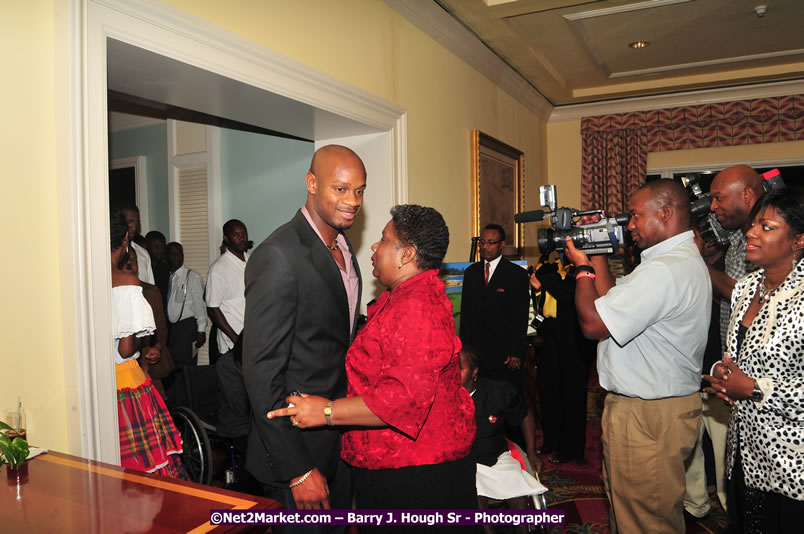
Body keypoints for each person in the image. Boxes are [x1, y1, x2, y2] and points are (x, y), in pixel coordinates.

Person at [267, 205, 478, 528]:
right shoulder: (405, 296)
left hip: (416, 473)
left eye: (384, 239)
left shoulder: (416, 307)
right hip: (402, 465)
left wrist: (326, 412)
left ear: (407, 255)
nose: (375, 247)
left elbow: (402, 401)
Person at [564, 179, 711, 534]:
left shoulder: (665, 270)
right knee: (631, 510)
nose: (629, 225)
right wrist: (598, 253)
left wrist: (582, 269)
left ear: (665, 213)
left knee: (646, 521)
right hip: (655, 410)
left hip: (649, 415)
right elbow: (611, 301)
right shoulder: (670, 262)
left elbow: (593, 322)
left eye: (635, 216)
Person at [243, 145, 365, 522]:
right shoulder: (279, 255)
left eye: (359, 191)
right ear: (311, 183)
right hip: (296, 452)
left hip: (338, 440)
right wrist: (297, 469)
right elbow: (261, 373)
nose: (352, 201)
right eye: (340, 189)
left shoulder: (343, 246)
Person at [703, 188, 804, 534]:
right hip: (745, 451)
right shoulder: (746, 288)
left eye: (767, 227)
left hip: (793, 463)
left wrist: (753, 388)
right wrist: (722, 374)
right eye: (754, 224)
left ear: (799, 240)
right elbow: (740, 356)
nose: (751, 232)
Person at [109, 208, 186, 479]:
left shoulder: (84, 279)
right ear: (125, 240)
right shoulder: (125, 281)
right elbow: (125, 350)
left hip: (97, 382)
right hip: (125, 380)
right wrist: (142, 343)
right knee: (145, 466)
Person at [459, 347, 545, 534]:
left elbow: (524, 414)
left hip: (496, 455)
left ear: (474, 371)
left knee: (515, 480)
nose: (454, 374)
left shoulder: (497, 391)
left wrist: (531, 452)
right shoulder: (443, 397)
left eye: (460, 369)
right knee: (473, 488)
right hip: (464, 463)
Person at [529, 253, 593, 464]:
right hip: (550, 337)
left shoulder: (582, 271)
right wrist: (539, 289)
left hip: (575, 341)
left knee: (572, 395)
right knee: (549, 390)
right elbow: (542, 304)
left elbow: (567, 296)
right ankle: (551, 441)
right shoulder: (551, 271)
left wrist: (545, 278)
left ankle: (571, 449)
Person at [684, 222, 729, 520]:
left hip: (720, 373)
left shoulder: (729, 270)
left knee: (724, 451)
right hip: (690, 371)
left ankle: (730, 509)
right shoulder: (685, 269)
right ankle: (695, 504)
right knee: (690, 447)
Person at [459, 223, 530, 387]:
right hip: (476, 352)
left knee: (504, 396)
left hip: (504, 354)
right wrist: (464, 350)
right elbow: (466, 314)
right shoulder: (471, 273)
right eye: (482, 242)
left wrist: (516, 351)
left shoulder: (516, 274)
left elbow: (520, 316)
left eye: (491, 243)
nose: (485, 247)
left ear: (502, 244)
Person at [206, 219, 249, 365]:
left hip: (253, 339)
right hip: (232, 345)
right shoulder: (219, 268)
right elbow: (212, 308)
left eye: (244, 234)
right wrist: (235, 338)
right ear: (226, 238)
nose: (241, 238)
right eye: (236, 235)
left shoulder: (252, 261)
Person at [166, 242, 207, 367]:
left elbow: (200, 306)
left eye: (179, 254)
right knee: (171, 368)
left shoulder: (192, 277)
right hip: (170, 329)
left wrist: (201, 331)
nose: (176, 257)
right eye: (173, 254)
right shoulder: (166, 277)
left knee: (186, 369)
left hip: (186, 328)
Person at [121, 205, 154, 285]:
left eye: (137, 223)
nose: (134, 227)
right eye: (129, 222)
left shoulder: (143, 253)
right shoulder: (112, 254)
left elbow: (151, 286)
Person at [145, 230, 170, 304]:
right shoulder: (142, 267)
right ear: (147, 247)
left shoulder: (166, 267)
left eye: (162, 246)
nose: (159, 250)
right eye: (155, 246)